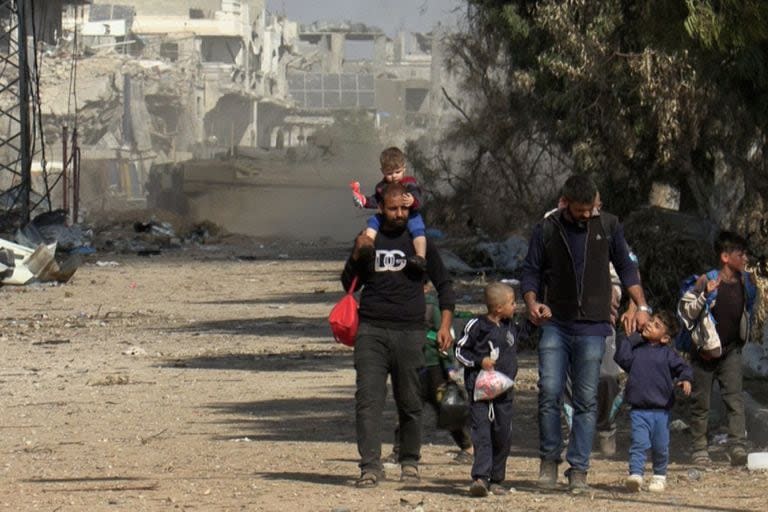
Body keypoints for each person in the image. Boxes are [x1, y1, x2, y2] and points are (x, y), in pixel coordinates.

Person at [520, 174, 652, 492]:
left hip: (593, 326)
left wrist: (641, 304)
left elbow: (626, 266)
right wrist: (532, 302)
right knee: (549, 392)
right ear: (566, 203)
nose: (586, 215)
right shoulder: (548, 229)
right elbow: (531, 270)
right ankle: (549, 461)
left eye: (590, 209)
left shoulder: (608, 226)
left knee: (586, 399)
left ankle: (578, 468)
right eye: (580, 210)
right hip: (555, 323)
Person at [341, 182, 456, 488]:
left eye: (404, 208)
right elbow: (347, 283)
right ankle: (369, 466)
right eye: (393, 209)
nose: (399, 214)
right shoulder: (370, 239)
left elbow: (445, 286)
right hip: (372, 332)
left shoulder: (419, 241)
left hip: (410, 332)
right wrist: (356, 255)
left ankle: (410, 462)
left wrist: (445, 325)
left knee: (410, 402)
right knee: (368, 401)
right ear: (380, 208)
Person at [681, 231, 759, 467]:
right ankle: (699, 448)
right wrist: (704, 294)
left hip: (732, 351)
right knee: (701, 402)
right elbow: (688, 312)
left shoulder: (746, 282)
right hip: (704, 353)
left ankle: (737, 446)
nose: (745, 258)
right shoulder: (706, 280)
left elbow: (749, 310)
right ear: (725, 257)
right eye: (740, 254)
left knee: (735, 400)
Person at [385, 282, 473, 466]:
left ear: (426, 287)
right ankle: (399, 451)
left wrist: (449, 366)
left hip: (433, 367)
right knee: (406, 407)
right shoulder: (401, 303)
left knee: (448, 408)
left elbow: (445, 336)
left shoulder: (432, 307)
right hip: (409, 364)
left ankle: (468, 447)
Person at [455, 282, 528, 497]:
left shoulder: (509, 326)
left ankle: (497, 478)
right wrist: (479, 362)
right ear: (498, 308)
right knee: (482, 433)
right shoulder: (476, 326)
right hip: (480, 391)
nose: (515, 306)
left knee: (503, 433)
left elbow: (523, 336)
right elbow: (459, 350)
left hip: (504, 391)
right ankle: (480, 477)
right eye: (512, 303)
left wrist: (536, 321)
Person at [614, 311, 693, 493]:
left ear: (665, 338)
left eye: (656, 325)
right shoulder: (636, 351)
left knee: (660, 446)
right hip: (638, 409)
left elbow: (683, 367)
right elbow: (621, 357)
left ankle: (659, 476)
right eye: (651, 321)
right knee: (639, 443)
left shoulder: (668, 355)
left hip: (661, 412)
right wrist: (634, 336)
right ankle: (635, 474)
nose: (650, 324)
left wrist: (685, 379)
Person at [351, 146, 427, 271]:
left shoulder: (409, 183)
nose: (394, 176)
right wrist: (364, 200)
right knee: (373, 221)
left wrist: (413, 201)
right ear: (382, 172)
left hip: (410, 215)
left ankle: (420, 257)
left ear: (404, 168)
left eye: (397, 172)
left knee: (418, 229)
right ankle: (367, 246)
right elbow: (376, 201)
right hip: (388, 218)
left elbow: (419, 199)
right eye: (389, 173)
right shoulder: (382, 187)